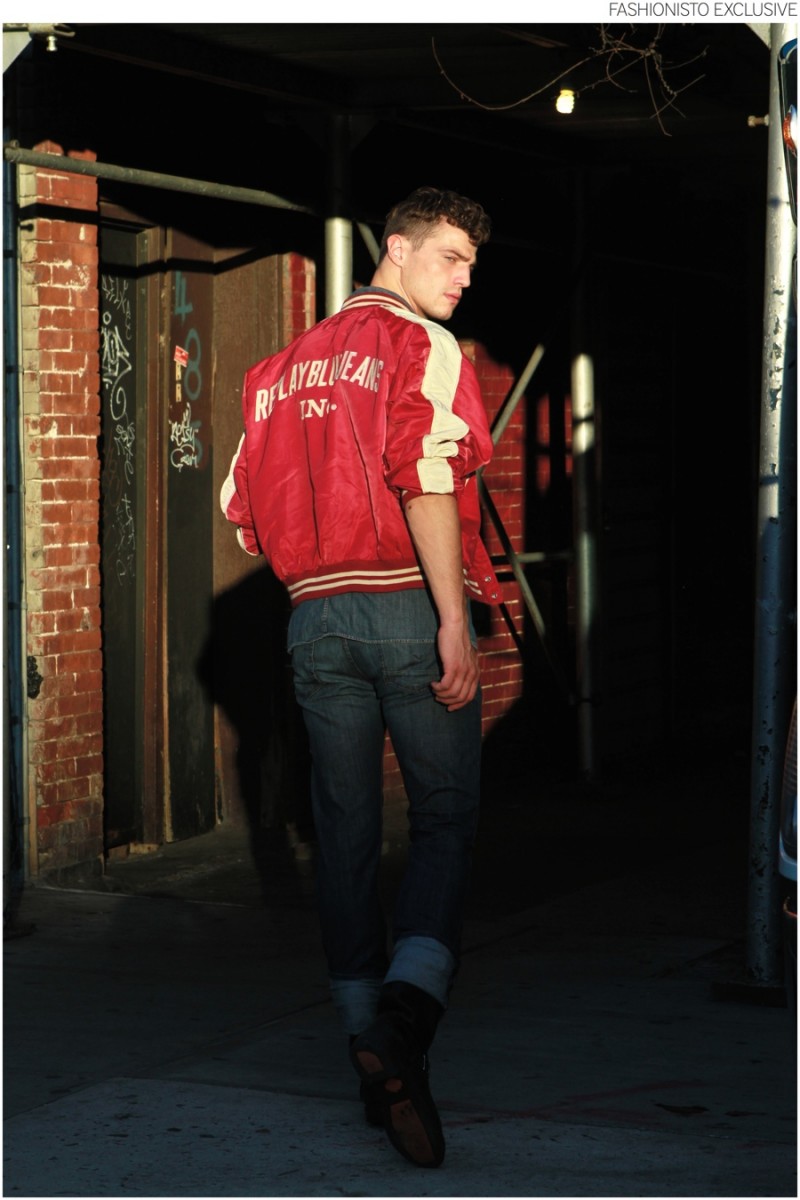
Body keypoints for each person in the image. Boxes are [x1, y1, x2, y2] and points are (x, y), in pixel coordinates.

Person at [220, 186, 502, 1169]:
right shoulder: (416, 348)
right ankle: (402, 1024)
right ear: (396, 247)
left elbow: (239, 507)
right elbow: (422, 474)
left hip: (312, 622)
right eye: (451, 256)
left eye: (470, 264)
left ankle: (367, 1056)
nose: (464, 279)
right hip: (398, 601)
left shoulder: (273, 371)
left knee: (340, 831)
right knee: (444, 820)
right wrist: (451, 622)